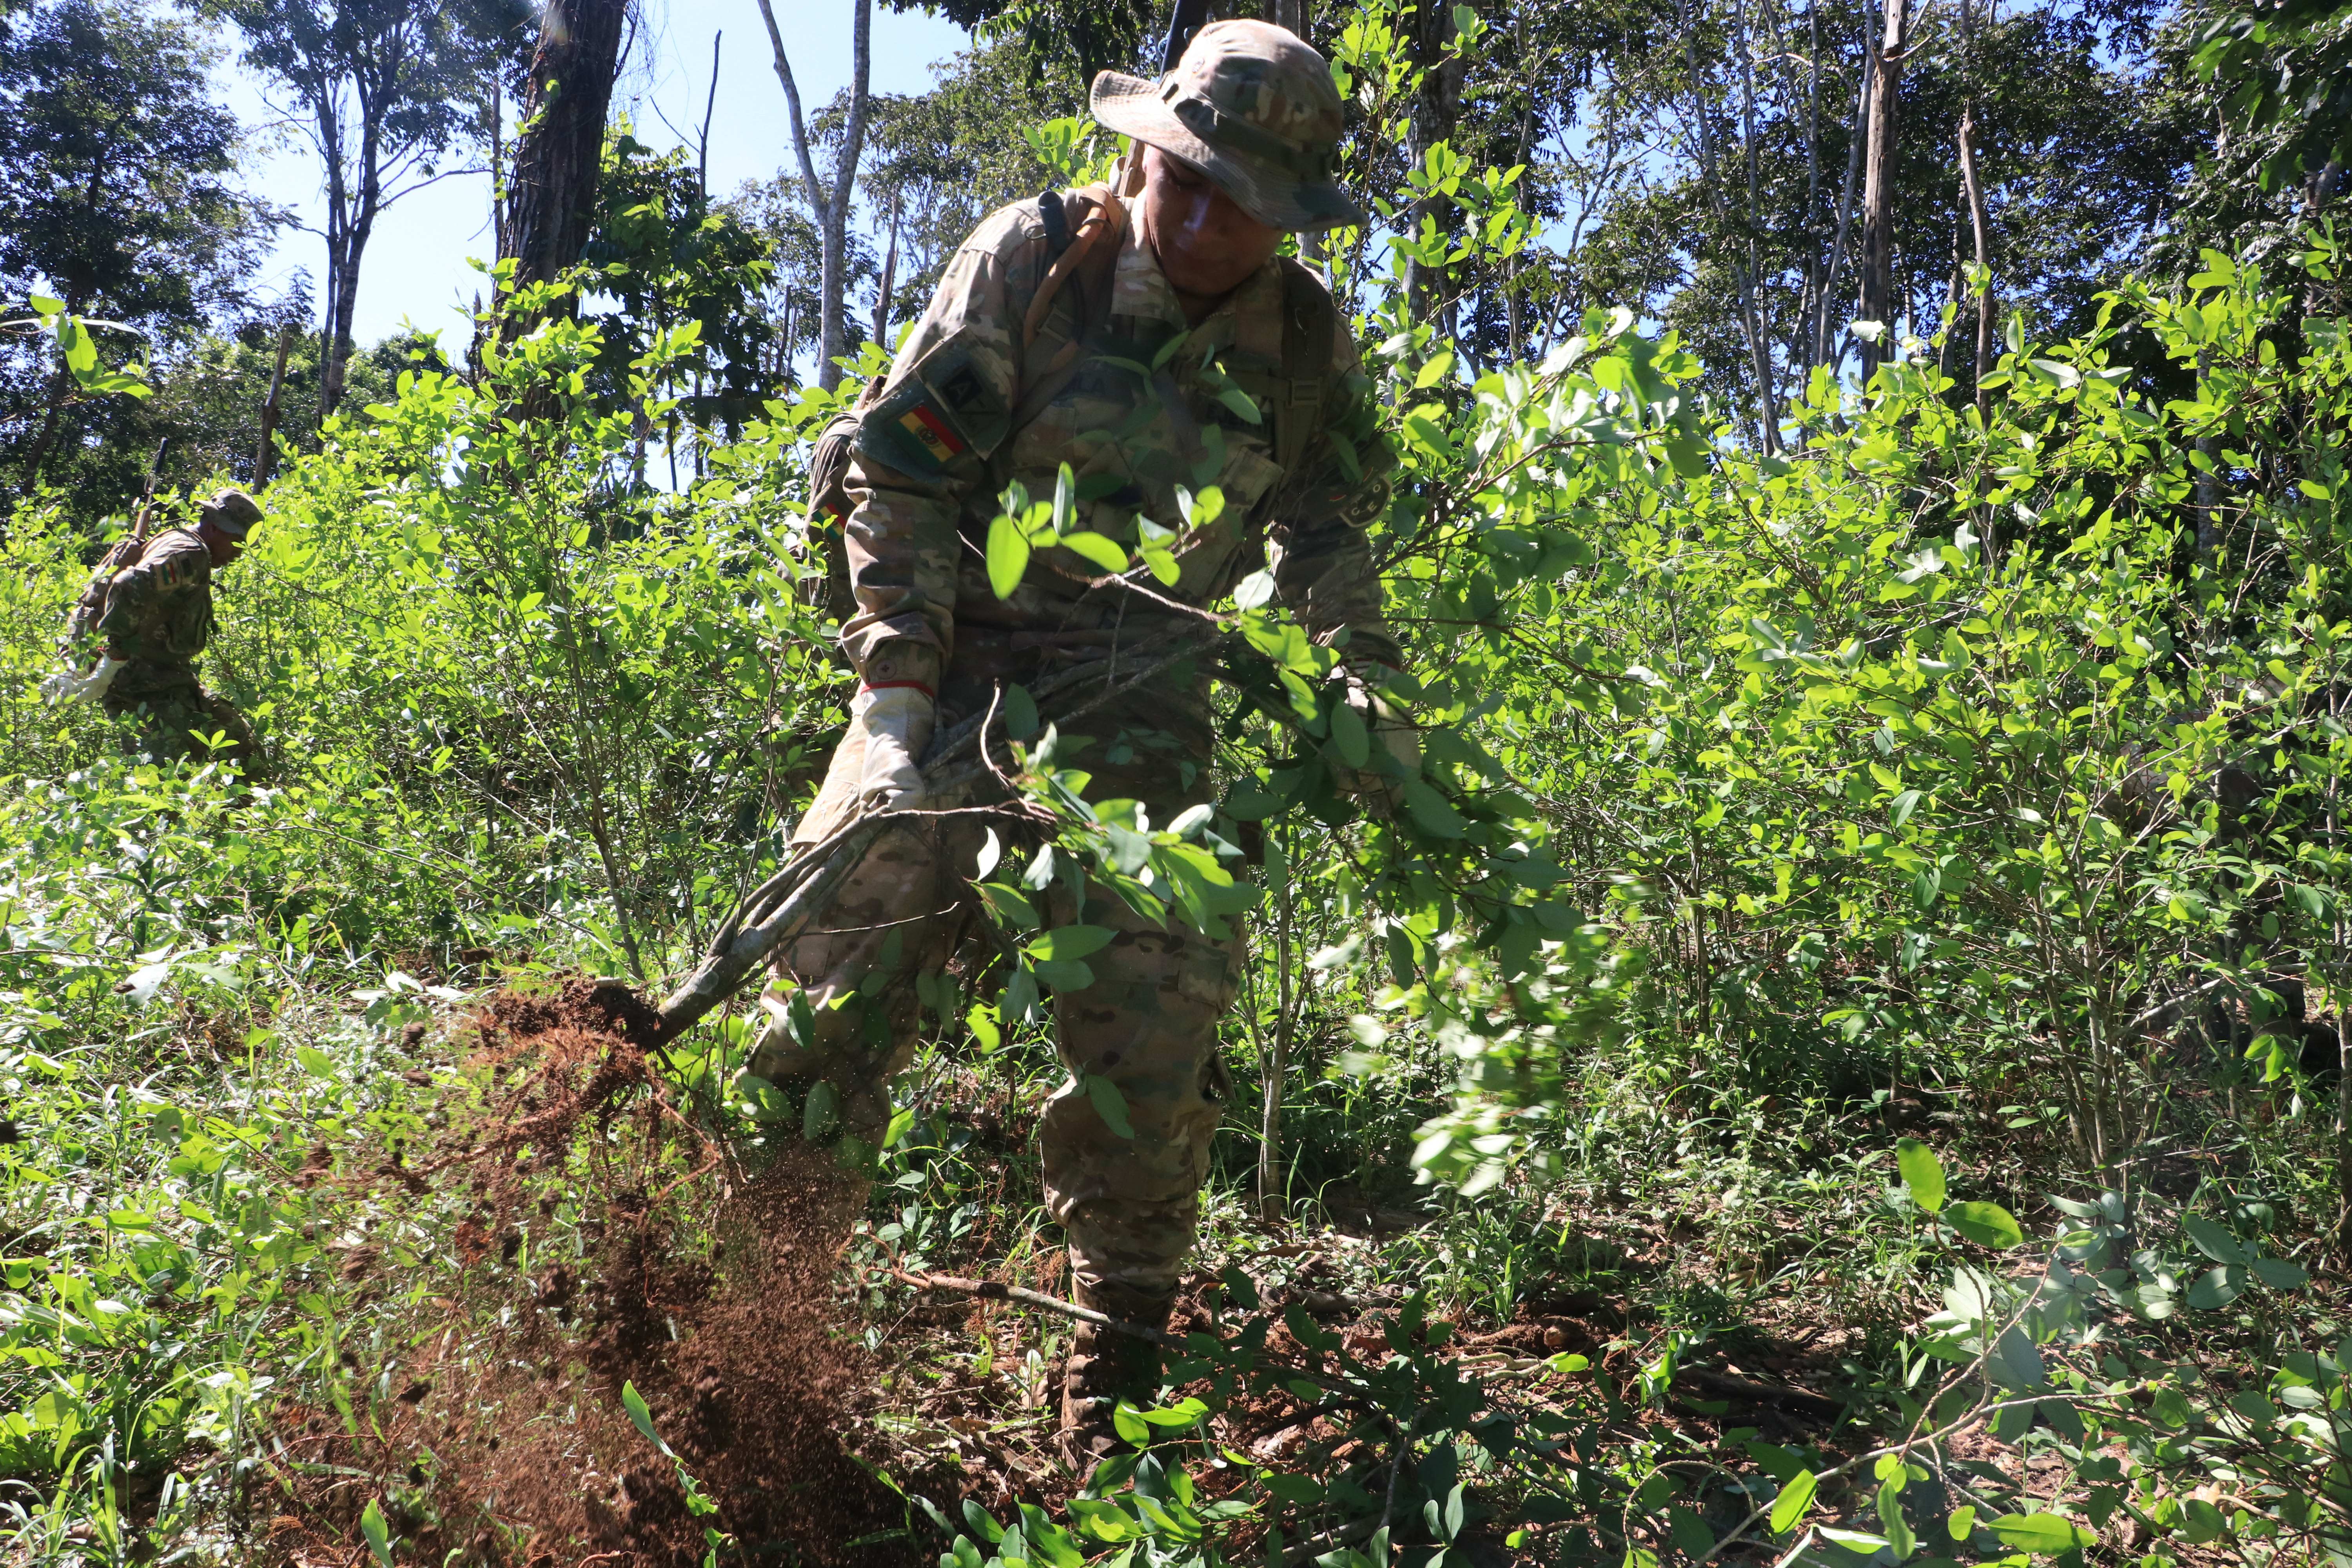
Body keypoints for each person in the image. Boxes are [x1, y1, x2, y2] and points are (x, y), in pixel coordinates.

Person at [755, 19, 1412, 1468]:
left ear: (1290, 216)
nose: (1205, 221)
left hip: (1139, 702)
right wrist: (892, 707)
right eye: (1187, 182)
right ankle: (749, 1342)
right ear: (1143, 153)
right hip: (956, 664)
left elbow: (1324, 532)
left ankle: (1111, 1397)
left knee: (1157, 1025)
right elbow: (900, 478)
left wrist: (1365, 683)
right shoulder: (1032, 260)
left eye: (1245, 203)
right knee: (828, 996)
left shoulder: (1303, 342)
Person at [47, 487, 266, 772]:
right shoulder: (191, 553)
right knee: (166, 777)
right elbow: (128, 585)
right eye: (237, 541)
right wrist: (114, 657)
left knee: (241, 746)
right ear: (215, 527)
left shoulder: (173, 540)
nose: (240, 552)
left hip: (166, 681)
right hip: (146, 688)